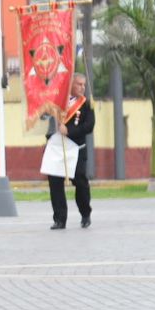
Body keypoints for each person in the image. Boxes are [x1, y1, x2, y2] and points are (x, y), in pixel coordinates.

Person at [45, 71, 94, 229]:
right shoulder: (57, 101)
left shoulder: (87, 104)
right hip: (58, 148)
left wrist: (70, 131)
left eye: (84, 85)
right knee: (55, 183)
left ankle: (85, 213)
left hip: (77, 148)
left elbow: (89, 126)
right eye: (79, 84)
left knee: (80, 181)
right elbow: (43, 115)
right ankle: (60, 219)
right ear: (70, 85)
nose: (82, 87)